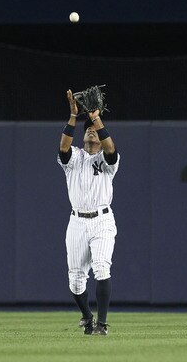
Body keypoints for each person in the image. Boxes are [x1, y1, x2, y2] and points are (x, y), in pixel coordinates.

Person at [57, 89, 120, 335]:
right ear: (83, 138)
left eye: (92, 129)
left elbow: (111, 148)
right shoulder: (74, 158)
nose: (90, 131)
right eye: (88, 130)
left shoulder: (106, 161)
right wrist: (74, 117)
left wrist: (95, 118)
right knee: (75, 279)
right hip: (77, 222)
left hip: (103, 220)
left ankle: (102, 325)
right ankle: (87, 317)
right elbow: (63, 147)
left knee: (102, 267)